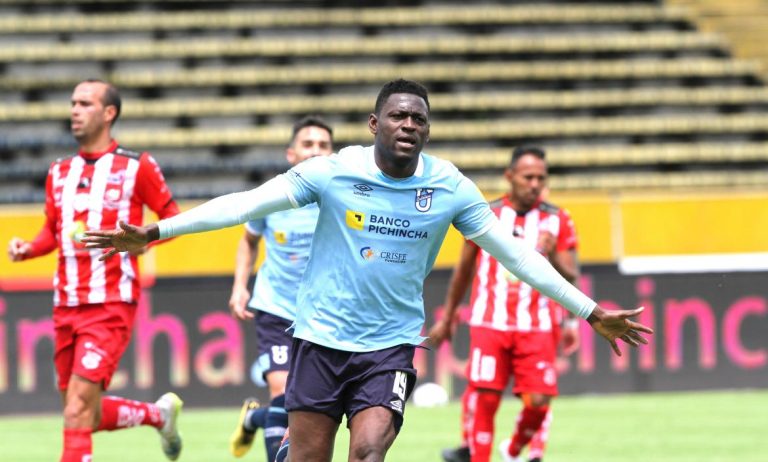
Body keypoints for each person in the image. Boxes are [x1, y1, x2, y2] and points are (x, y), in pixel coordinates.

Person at [82, 79, 653, 462]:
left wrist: (590, 310)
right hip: (320, 339)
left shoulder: (449, 186)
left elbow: (517, 255)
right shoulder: (333, 172)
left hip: (388, 348)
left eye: (419, 119)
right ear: (375, 122)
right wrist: (156, 232)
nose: (409, 124)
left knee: (368, 452)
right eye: (399, 115)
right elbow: (246, 203)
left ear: (427, 131)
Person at [6, 79, 183, 462]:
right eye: (72, 102)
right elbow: (52, 231)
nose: (74, 109)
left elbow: (172, 220)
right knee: (82, 409)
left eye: (85, 103)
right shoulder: (58, 171)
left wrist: (143, 242)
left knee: (75, 411)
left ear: (109, 113)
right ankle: (158, 414)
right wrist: (28, 249)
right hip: (65, 304)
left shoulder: (137, 166)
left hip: (110, 303)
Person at [433, 146, 581, 462]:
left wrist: (554, 255)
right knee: (484, 397)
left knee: (539, 401)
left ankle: (513, 450)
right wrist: (449, 316)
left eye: (541, 177)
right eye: (528, 177)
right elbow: (465, 269)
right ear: (510, 176)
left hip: (537, 325)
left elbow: (571, 273)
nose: (535, 184)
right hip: (490, 322)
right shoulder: (486, 213)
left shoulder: (558, 219)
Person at [228, 116, 334, 460]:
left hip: (323, 312)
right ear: (291, 154)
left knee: (307, 402)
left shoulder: (343, 196)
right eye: (308, 144)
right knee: (281, 391)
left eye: (323, 145)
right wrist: (240, 286)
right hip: (276, 307)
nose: (315, 151)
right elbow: (248, 241)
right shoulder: (273, 196)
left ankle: (255, 419)